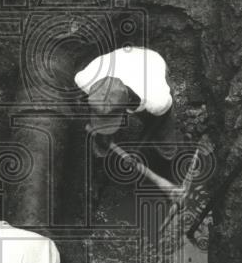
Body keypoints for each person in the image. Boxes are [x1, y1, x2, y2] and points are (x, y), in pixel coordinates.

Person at [74, 46, 181, 185]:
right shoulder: (86, 79)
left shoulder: (156, 98)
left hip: (149, 60)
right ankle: (101, 163)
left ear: (128, 102)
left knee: (164, 136)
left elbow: (158, 122)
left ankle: (168, 165)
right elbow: (84, 102)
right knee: (101, 134)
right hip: (121, 58)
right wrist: (99, 129)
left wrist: (137, 148)